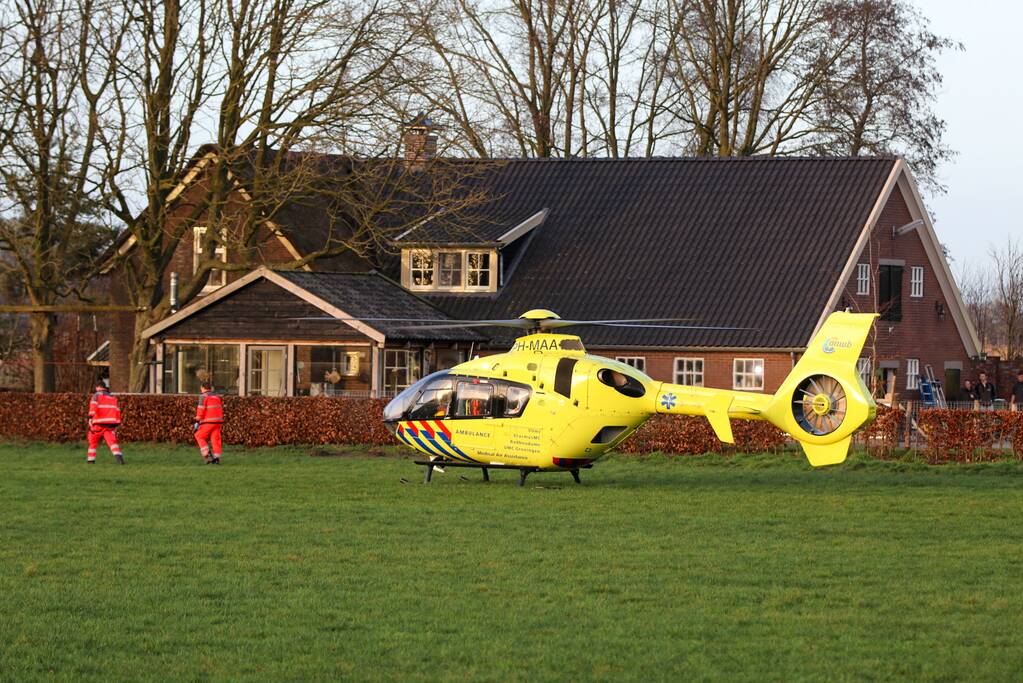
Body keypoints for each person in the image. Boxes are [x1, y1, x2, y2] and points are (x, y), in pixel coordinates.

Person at [87, 378, 124, 464]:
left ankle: (90, 460)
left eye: (96, 388)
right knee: (112, 442)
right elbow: (117, 410)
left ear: (98, 387)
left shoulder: (96, 395)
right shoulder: (112, 397)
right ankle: (119, 458)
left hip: (98, 424)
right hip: (110, 424)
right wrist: (117, 423)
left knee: (92, 442)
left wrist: (90, 417)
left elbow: (93, 406)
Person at [194, 381, 225, 464]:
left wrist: (197, 419)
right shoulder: (216, 397)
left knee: (199, 436)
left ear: (203, 388)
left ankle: (207, 455)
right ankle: (217, 458)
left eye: (201, 388)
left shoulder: (203, 396)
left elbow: (201, 409)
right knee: (215, 439)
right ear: (210, 388)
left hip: (208, 421)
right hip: (218, 421)